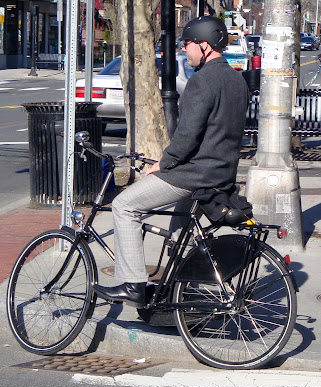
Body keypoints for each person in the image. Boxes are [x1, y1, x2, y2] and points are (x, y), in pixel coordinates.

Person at [93, 16, 249, 308]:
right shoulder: (236, 80)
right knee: (180, 236)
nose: (184, 50)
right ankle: (183, 301)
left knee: (124, 206)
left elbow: (187, 134)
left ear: (204, 45)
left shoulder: (203, 81)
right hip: (221, 173)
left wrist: (164, 163)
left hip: (194, 174)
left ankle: (133, 285)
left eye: (187, 44)